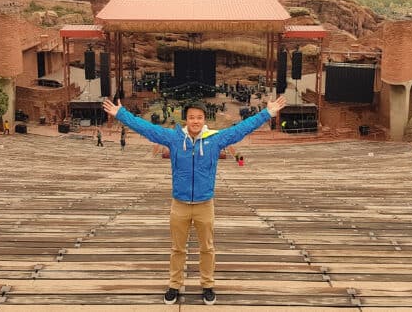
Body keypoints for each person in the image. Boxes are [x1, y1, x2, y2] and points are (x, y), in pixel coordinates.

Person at [104, 94, 286, 306]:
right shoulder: (174, 139)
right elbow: (148, 129)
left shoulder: (215, 139)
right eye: (191, 117)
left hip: (204, 205)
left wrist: (268, 113)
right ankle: (174, 284)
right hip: (179, 204)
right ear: (186, 120)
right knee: (177, 248)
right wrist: (121, 114)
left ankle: (207, 284)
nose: (195, 121)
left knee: (207, 248)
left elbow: (240, 130)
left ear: (204, 119)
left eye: (199, 117)